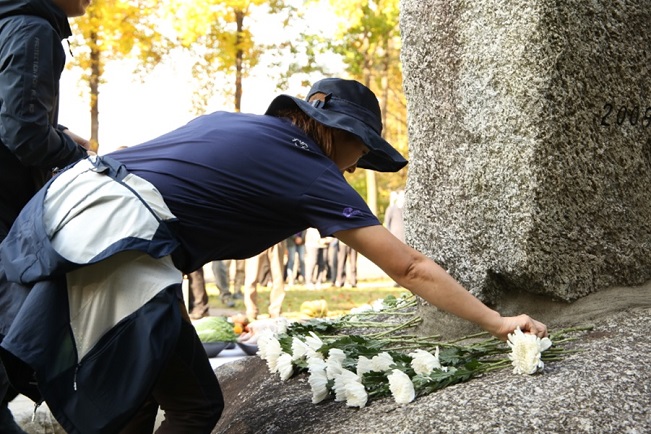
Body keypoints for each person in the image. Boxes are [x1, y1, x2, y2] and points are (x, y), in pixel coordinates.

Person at [0, 78, 547, 433]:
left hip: (55, 209)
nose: (357, 167)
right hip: (113, 245)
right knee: (172, 405)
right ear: (335, 134)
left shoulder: (235, 124)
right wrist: (498, 322)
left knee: (163, 398)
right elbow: (409, 267)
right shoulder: (309, 168)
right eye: (362, 150)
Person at [0, 0, 92, 431]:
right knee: (19, 344)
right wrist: (79, 153)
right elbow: (24, 135)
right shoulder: (33, 28)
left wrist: (59, 133)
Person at [243, 241, 286, 321]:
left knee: (278, 276)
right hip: (256, 235)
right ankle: (251, 312)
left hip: (277, 234)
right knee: (251, 277)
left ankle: (276, 311)